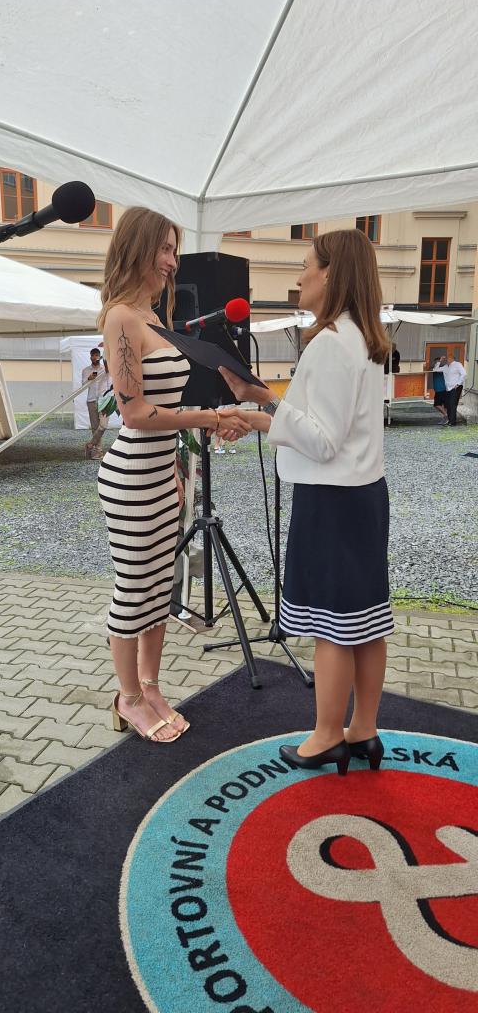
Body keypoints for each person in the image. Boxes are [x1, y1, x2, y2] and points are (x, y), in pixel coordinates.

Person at [220, 229, 394, 776]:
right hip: (364, 495)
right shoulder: (364, 338)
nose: (299, 278)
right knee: (365, 621)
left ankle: (326, 736)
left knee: (332, 625)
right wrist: (264, 404)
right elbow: (329, 425)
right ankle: (362, 729)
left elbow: (321, 440)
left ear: (330, 273)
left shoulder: (329, 342)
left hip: (331, 501)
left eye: (305, 266)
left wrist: (260, 413)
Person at [99, 206, 250, 744]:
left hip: (164, 472)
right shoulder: (121, 317)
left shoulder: (154, 316)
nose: (172, 261)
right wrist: (209, 418)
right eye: (164, 249)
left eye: (174, 249)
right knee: (133, 590)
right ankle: (127, 698)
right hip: (131, 476)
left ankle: (150, 686)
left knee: (161, 587)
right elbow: (135, 414)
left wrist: (178, 466)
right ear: (138, 249)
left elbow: (163, 410)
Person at [82, 347, 112, 459]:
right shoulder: (86, 370)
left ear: (99, 357)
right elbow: (83, 386)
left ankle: (90, 445)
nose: (95, 357)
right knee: (95, 427)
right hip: (91, 401)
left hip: (104, 400)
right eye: (93, 355)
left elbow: (110, 375)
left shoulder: (105, 369)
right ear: (90, 357)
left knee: (103, 426)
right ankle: (97, 451)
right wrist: (89, 379)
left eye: (97, 355)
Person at [442, 354, 467, 426]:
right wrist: (439, 361)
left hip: (456, 387)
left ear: (452, 358)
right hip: (448, 388)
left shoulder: (457, 364)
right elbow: (435, 369)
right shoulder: (446, 366)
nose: (446, 360)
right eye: (446, 358)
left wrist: (458, 384)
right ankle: (450, 420)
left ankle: (452, 422)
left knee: (452, 404)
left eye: (448, 358)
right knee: (448, 404)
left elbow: (464, 374)